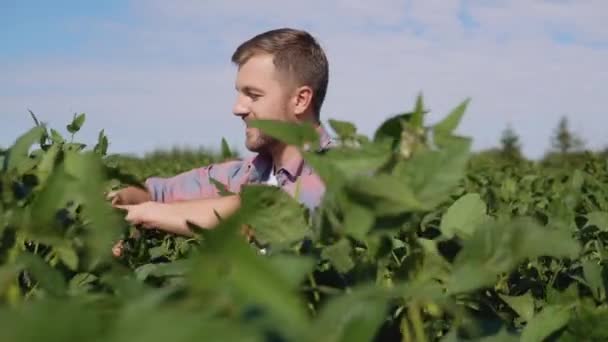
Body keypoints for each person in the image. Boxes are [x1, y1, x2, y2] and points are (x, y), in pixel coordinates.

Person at [108, 28, 332, 255]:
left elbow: (256, 215)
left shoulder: (338, 179)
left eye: (253, 95)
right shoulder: (245, 173)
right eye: (239, 94)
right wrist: (116, 204)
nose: (238, 109)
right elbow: (157, 192)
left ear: (300, 100)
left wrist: (147, 214)